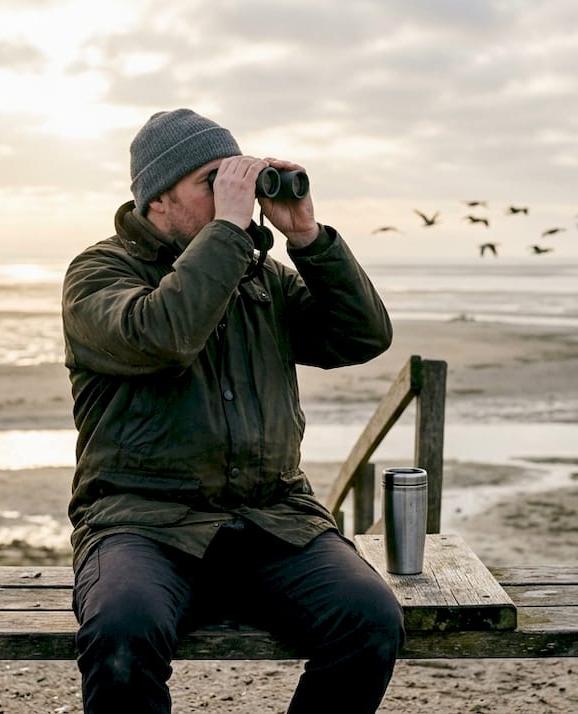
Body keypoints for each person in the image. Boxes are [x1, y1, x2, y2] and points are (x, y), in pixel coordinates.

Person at [61, 108, 403, 714]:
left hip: (273, 516)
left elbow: (361, 337)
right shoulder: (98, 273)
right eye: (214, 181)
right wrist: (229, 229)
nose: (234, 194)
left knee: (371, 619)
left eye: (237, 179)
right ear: (157, 199)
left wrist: (308, 239)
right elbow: (162, 335)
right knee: (122, 633)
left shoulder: (261, 278)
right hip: (143, 521)